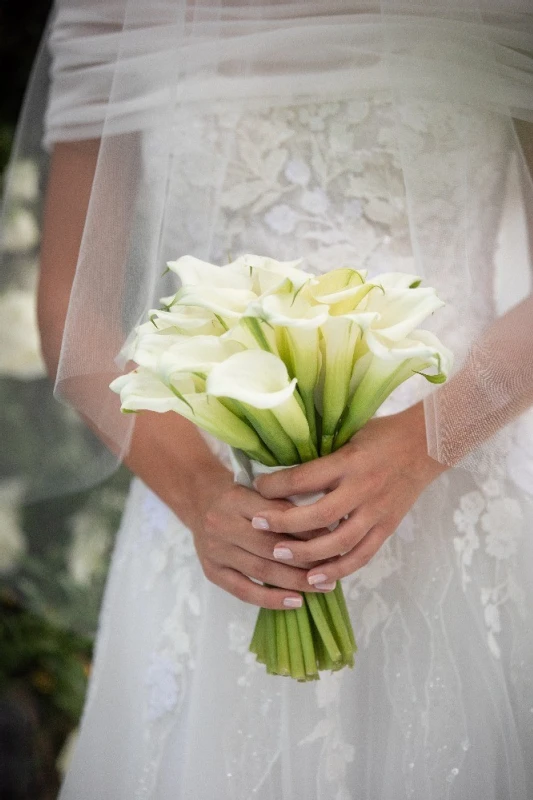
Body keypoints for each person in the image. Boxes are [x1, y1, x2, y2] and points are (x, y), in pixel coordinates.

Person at [11, 1, 533, 797]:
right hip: (211, 512)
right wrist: (206, 500)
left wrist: (426, 441)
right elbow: (73, 315)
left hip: (456, 494)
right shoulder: (115, 14)